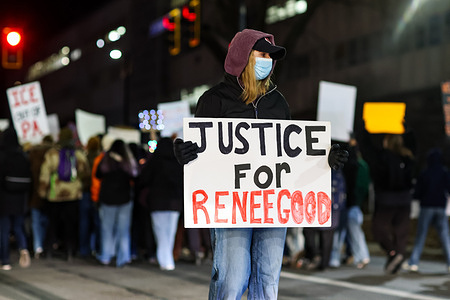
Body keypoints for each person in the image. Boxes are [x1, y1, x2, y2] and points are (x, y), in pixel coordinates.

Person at [173, 28, 348, 299]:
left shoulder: (278, 103)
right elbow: (201, 154)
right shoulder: (214, 101)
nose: (267, 60)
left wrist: (324, 160)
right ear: (242, 56)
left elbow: (292, 154)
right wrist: (184, 153)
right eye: (261, 53)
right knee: (232, 279)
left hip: (273, 206)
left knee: (267, 281)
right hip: (231, 207)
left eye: (270, 55)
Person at [358, 125, 415, 274]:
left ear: (387, 142)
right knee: (400, 232)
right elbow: (415, 145)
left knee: (379, 228)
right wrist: (408, 129)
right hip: (404, 199)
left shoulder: (382, 157)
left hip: (386, 199)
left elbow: (367, 150)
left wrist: (364, 130)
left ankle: (392, 253)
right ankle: (397, 257)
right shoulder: (408, 157)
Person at [38, 127, 90, 261]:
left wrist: (42, 192)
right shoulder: (78, 154)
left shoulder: (52, 154)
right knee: (70, 224)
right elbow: (86, 173)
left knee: (53, 223)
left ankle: (48, 250)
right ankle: (70, 251)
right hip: (73, 194)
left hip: (55, 194)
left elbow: (44, 175)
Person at [402, 148, 450, 273]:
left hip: (427, 206)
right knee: (445, 236)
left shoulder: (425, 173)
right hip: (440, 206)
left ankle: (414, 262)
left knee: (421, 235)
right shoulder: (444, 173)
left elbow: (417, 192)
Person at [138, 137, 183, 270]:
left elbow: (144, 179)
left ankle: (165, 260)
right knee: (170, 232)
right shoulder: (177, 162)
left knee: (161, 232)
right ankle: (167, 259)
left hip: (157, 202)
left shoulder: (154, 162)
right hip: (174, 202)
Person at [96, 139, 138, 268]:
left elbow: (98, 174)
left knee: (107, 230)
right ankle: (123, 258)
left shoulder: (106, 159)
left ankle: (106, 257)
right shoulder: (127, 161)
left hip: (108, 199)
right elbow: (135, 175)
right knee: (123, 231)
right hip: (124, 199)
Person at [329, 138, 371, 269]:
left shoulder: (345, 166)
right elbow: (365, 187)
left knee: (339, 232)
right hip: (354, 203)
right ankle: (362, 256)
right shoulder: (363, 166)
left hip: (345, 202)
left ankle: (335, 258)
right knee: (355, 232)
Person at [0, 127, 32, 270]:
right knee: (18, 226)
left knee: (4, 230)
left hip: (4, 199)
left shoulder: (3, 156)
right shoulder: (23, 156)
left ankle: (5, 260)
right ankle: (23, 248)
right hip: (20, 198)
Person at [27, 134, 54, 258]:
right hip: (50, 193)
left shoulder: (33, 154)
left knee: (36, 222)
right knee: (46, 221)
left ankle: (38, 246)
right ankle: (44, 244)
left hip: (34, 193)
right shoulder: (53, 155)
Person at [79, 135, 102, 258]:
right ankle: (98, 248)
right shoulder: (101, 159)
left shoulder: (84, 158)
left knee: (84, 222)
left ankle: (84, 249)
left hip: (85, 192)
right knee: (97, 222)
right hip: (96, 194)